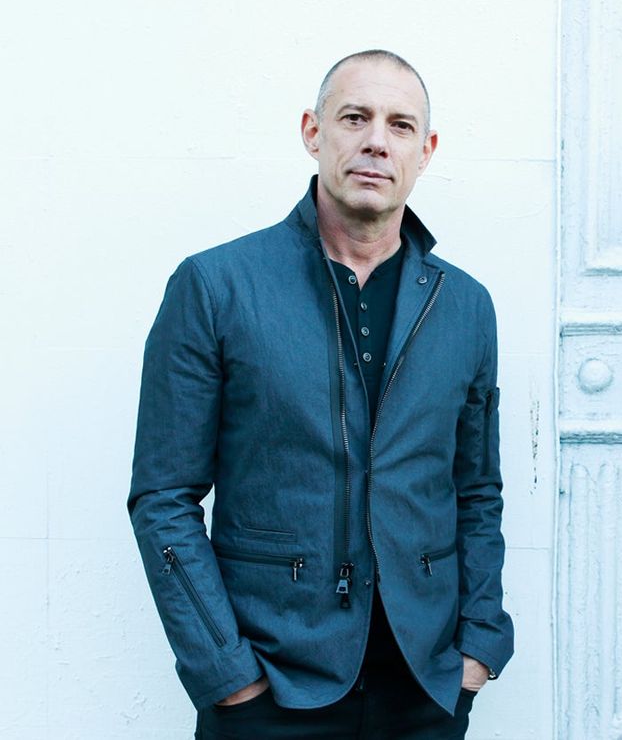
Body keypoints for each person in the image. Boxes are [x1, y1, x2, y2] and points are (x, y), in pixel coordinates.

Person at [128, 50, 513, 739]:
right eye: (355, 118)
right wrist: (228, 674)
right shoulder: (215, 286)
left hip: (424, 689)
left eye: (400, 125)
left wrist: (479, 646)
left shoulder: (466, 305)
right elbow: (163, 496)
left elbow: (477, 489)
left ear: (425, 151)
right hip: (270, 686)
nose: (377, 141)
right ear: (313, 132)